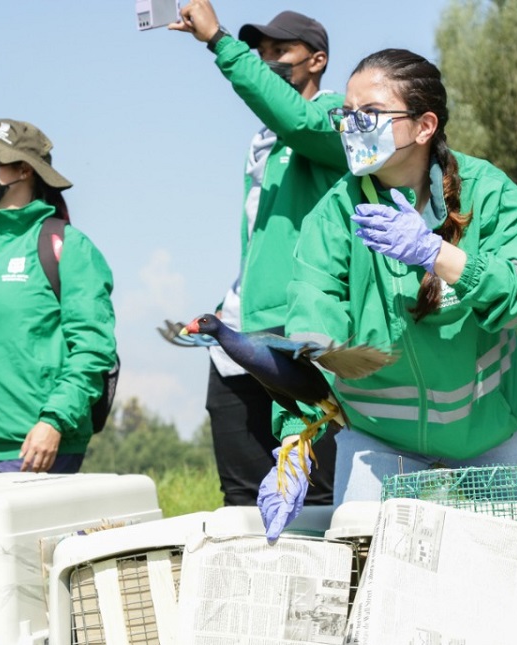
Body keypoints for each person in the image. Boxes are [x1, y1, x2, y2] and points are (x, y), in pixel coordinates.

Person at [258, 49, 517, 536]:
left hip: (496, 428)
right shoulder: (333, 217)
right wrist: (295, 439)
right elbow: (312, 328)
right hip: (379, 437)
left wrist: (438, 254)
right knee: (366, 566)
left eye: (368, 115)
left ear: (424, 126)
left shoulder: (489, 193)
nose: (351, 126)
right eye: (345, 114)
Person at [170, 2, 345, 506]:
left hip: (300, 334)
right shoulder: (262, 139)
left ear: (317, 60)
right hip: (245, 325)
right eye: (259, 51)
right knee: (244, 499)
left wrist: (221, 42)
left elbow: (299, 123)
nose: (267, 59)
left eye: (279, 50)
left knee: (316, 495)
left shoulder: (334, 118)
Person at [0, 119, 116, 475]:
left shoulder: (67, 247)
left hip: (32, 449)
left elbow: (92, 349)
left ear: (25, 170)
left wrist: (54, 421)